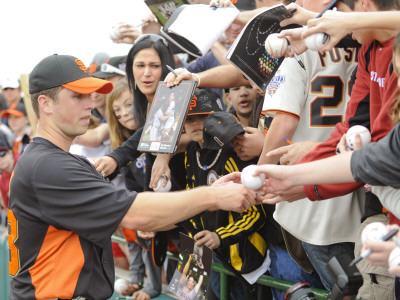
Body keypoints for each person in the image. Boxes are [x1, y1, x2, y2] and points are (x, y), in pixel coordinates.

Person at [7, 54, 257, 300]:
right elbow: (135, 212)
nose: (90, 104)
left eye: (89, 94)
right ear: (45, 103)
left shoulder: (51, 160)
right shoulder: (47, 165)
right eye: (77, 96)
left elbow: (134, 216)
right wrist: (213, 195)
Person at [106, 78, 162, 300]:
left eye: (128, 105)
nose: (124, 113)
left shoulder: (158, 131)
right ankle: (138, 279)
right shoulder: (124, 145)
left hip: (171, 206)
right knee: (136, 231)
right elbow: (131, 187)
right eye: (117, 111)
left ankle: (154, 286)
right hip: (147, 210)